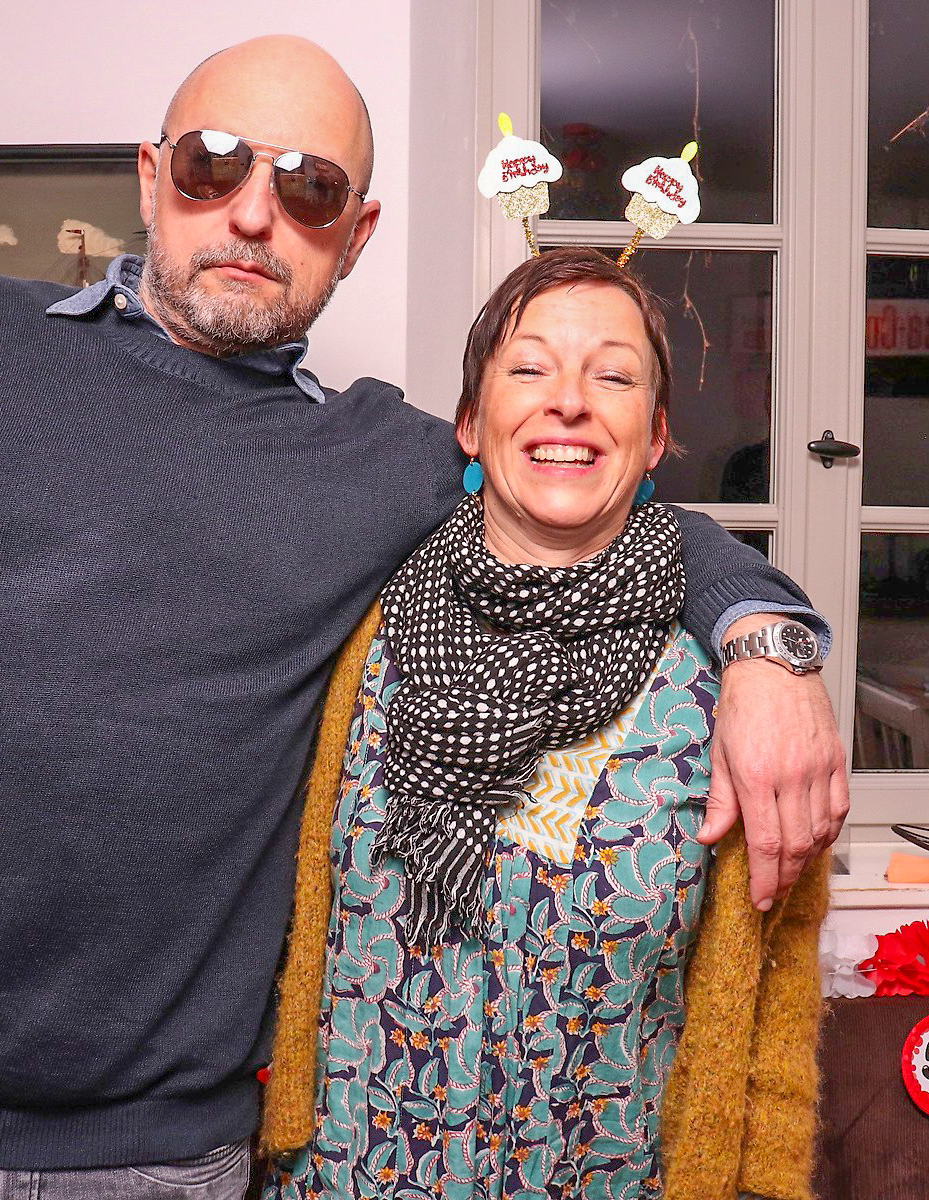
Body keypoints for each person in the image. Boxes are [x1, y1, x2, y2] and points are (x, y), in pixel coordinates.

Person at [0, 36, 844, 1196]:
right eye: (214, 164)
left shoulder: (384, 461)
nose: (254, 213)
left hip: (155, 1163)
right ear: (153, 179)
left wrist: (768, 650)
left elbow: (594, 496)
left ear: (354, 236)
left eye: (309, 189)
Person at [256, 248, 828, 1200]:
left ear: (654, 438)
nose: (569, 402)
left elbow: (773, 1006)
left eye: (614, 377)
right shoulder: (358, 634)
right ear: (470, 426)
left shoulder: (732, 694)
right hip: (352, 1172)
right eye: (529, 368)